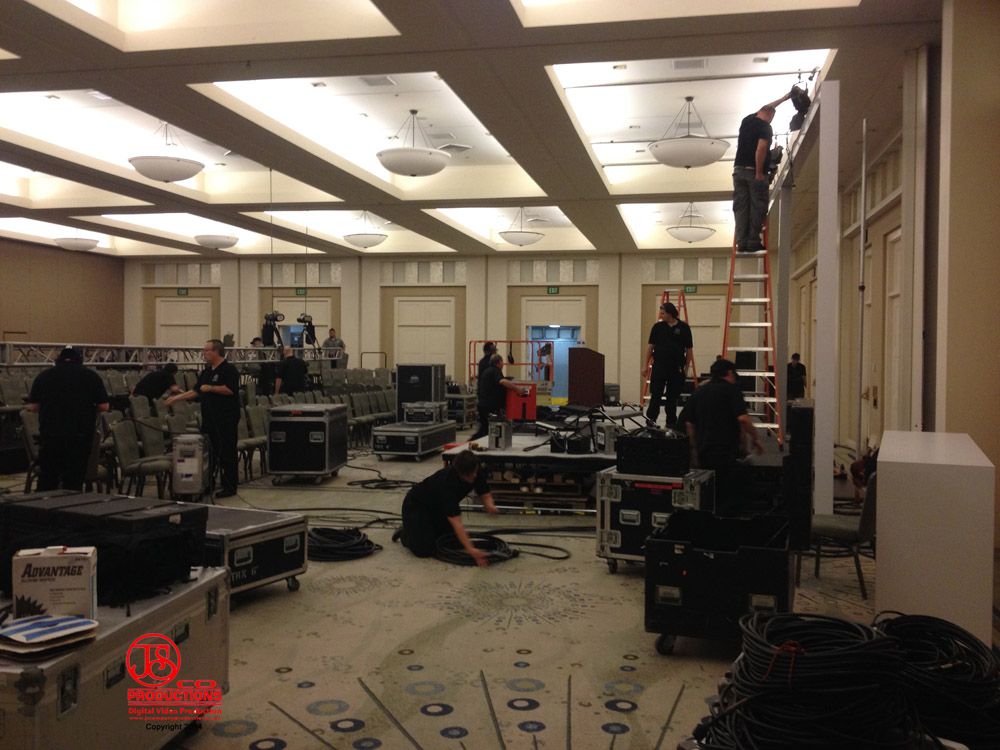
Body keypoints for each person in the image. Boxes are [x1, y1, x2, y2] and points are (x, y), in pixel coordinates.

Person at [683, 358, 764, 515]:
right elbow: (743, 420)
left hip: (704, 452)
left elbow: (689, 425)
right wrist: (756, 438)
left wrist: (694, 453)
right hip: (725, 452)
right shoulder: (732, 390)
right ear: (729, 372)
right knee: (729, 496)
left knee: (709, 495)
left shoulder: (698, 392)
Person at [394, 449, 499, 567]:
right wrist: (471, 550)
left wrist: (489, 505)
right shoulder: (448, 484)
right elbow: (456, 522)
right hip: (417, 506)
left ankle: (421, 530)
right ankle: (406, 534)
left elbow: (485, 493)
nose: (475, 475)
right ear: (461, 473)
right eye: (471, 473)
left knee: (448, 541)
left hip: (439, 508)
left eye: (475, 471)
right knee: (424, 550)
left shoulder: (475, 470)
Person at [166, 339, 241, 498]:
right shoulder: (206, 371)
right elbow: (197, 390)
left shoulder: (229, 370)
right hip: (208, 419)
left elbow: (230, 389)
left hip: (226, 419)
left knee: (226, 453)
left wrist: (212, 388)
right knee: (209, 453)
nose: (204, 353)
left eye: (206, 350)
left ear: (216, 351)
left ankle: (230, 486)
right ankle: (208, 483)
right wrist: (177, 398)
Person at [28, 346, 110, 491]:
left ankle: (44, 503)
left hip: (51, 434)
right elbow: (104, 406)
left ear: (58, 359)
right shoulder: (91, 376)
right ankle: (71, 503)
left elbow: (33, 407)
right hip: (80, 435)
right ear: (80, 359)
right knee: (74, 479)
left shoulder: (43, 376)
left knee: (48, 477)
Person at [732, 90, 793, 252]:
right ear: (771, 116)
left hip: (738, 172)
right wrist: (759, 172)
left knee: (741, 207)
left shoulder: (747, 120)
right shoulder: (766, 128)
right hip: (754, 172)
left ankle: (741, 242)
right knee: (757, 206)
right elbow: (760, 150)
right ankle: (753, 241)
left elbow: (768, 107)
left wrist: (784, 98)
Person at [643, 302, 695, 428]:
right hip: (659, 366)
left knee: (672, 396)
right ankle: (651, 420)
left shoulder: (684, 327)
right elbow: (650, 346)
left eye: (663, 313)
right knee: (656, 394)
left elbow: (689, 349)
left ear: (670, 313)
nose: (660, 316)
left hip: (676, 367)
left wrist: (686, 368)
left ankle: (671, 421)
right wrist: (645, 365)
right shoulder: (657, 327)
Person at [470, 353, 530, 441]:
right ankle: (469, 444)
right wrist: (517, 389)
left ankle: (470, 443)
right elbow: (502, 381)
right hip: (488, 407)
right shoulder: (495, 371)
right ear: (499, 362)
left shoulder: (488, 371)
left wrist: (500, 407)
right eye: (502, 362)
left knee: (484, 430)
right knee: (485, 431)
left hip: (484, 406)